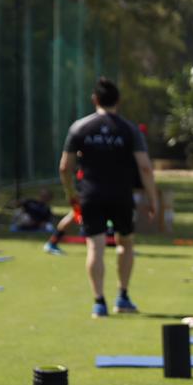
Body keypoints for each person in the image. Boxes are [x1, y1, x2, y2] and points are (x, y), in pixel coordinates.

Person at [59, 77, 159, 317]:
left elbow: (65, 167)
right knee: (125, 243)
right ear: (119, 101)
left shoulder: (79, 128)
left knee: (96, 247)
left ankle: (99, 302)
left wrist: (72, 194)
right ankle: (122, 296)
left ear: (95, 99)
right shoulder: (129, 129)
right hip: (121, 196)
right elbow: (145, 167)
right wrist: (152, 198)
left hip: (91, 195)